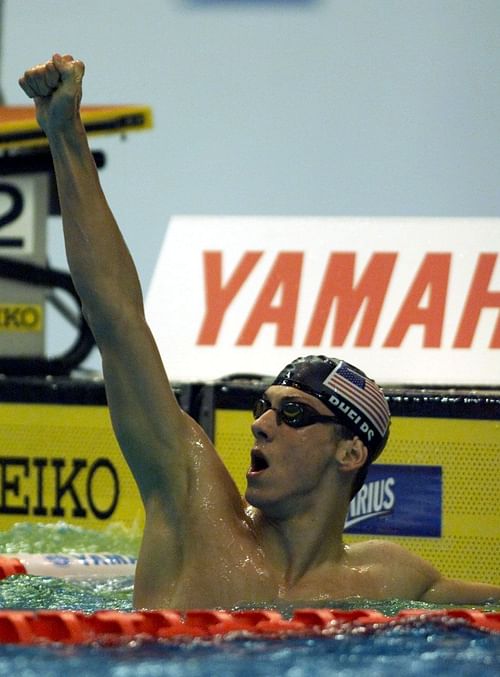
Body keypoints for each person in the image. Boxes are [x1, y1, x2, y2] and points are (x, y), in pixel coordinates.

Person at [19, 54, 500, 610]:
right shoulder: (193, 505)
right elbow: (116, 317)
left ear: (349, 453)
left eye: (292, 414)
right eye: (264, 407)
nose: (263, 425)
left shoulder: (390, 582)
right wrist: (65, 136)